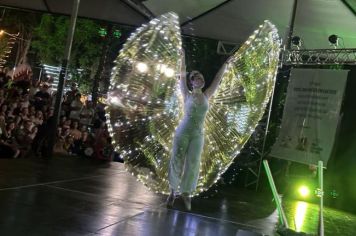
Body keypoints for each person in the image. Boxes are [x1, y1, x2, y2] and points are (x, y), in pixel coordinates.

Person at [167, 51, 229, 210]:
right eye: (195, 78)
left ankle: (186, 193)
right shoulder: (186, 94)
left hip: (198, 134)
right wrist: (182, 58)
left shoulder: (207, 94)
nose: (199, 80)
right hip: (183, 131)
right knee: (177, 159)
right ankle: (173, 191)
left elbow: (218, 79)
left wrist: (226, 64)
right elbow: (181, 75)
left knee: (193, 163)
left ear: (203, 82)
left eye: (201, 78)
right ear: (191, 82)